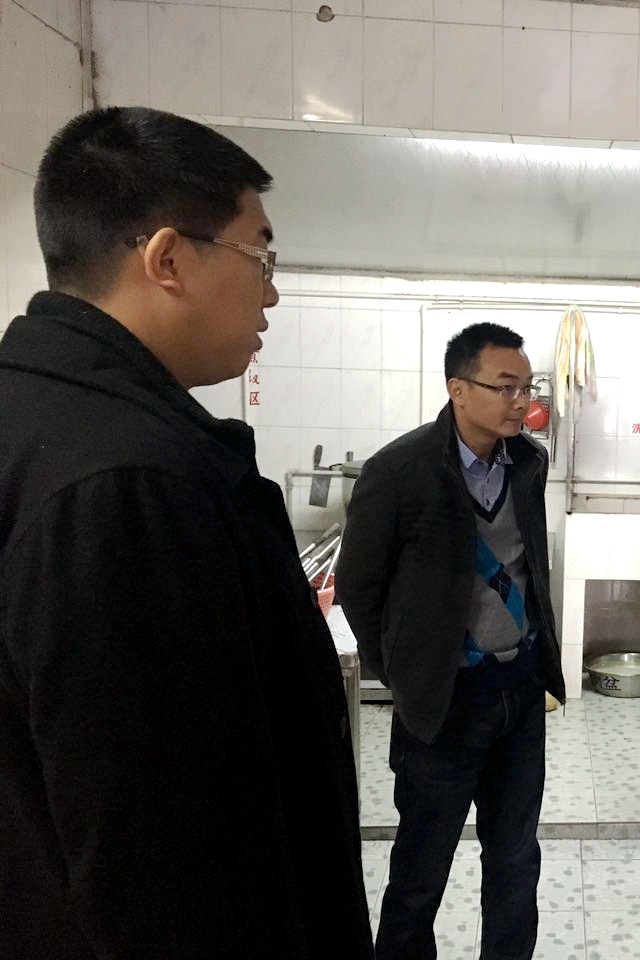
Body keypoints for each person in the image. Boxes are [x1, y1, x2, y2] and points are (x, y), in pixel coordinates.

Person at [0, 108, 371, 958]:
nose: (271, 292)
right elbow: (168, 860)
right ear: (167, 259)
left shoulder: (35, 416)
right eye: (261, 257)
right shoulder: (127, 484)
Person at [337, 322, 564, 960]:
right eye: (505, 387)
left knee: (515, 860)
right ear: (457, 389)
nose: (521, 402)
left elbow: (528, 563)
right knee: (421, 869)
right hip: (444, 704)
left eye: (527, 388)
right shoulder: (399, 470)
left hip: (519, 694)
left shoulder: (528, 463)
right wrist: (404, 673)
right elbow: (358, 587)